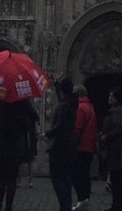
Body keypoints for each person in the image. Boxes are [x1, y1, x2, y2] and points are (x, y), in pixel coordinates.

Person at [0, 96, 38, 211]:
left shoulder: (0, 98)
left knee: (0, 177)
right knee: (12, 178)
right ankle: (8, 207)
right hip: (16, 145)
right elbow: (35, 116)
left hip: (1, 143)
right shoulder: (22, 100)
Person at [100, 88, 122, 211]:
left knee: (116, 179)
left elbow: (118, 128)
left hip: (117, 149)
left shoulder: (118, 112)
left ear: (116, 98)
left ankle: (117, 206)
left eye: (111, 96)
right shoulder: (119, 111)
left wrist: (106, 136)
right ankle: (116, 205)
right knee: (116, 178)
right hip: (118, 148)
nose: (109, 98)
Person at [47, 77, 79, 211]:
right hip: (69, 145)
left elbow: (60, 125)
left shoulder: (64, 106)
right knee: (65, 176)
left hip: (59, 146)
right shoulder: (72, 103)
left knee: (57, 177)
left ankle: (65, 206)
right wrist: (56, 87)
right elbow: (62, 101)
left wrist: (47, 133)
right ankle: (66, 205)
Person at [73, 83, 98, 211]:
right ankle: (85, 199)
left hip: (81, 146)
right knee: (85, 175)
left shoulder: (81, 108)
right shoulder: (90, 107)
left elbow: (77, 129)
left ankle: (82, 199)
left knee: (78, 175)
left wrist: (72, 145)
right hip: (89, 146)